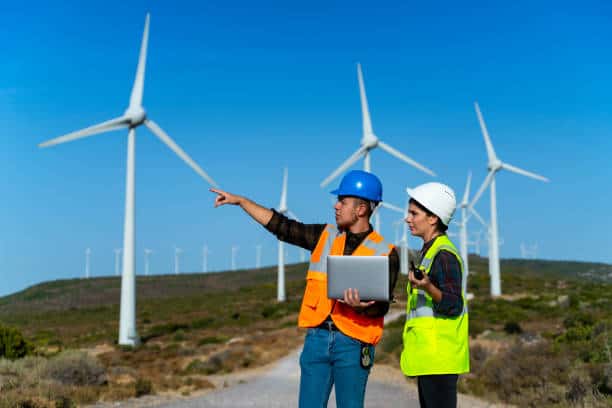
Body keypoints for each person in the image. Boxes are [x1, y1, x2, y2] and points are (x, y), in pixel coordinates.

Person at [211, 170, 399, 408]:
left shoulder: (386, 251)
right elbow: (282, 226)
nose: (336, 206)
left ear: (361, 209)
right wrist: (242, 202)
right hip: (317, 340)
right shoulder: (324, 235)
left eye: (342, 201)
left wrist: (361, 307)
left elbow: (381, 307)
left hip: (354, 344)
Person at [400, 182, 469, 408]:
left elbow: (453, 303)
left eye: (414, 213)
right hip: (430, 358)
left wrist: (428, 287)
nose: (407, 219)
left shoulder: (444, 254)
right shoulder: (429, 252)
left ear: (433, 218)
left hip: (440, 359)